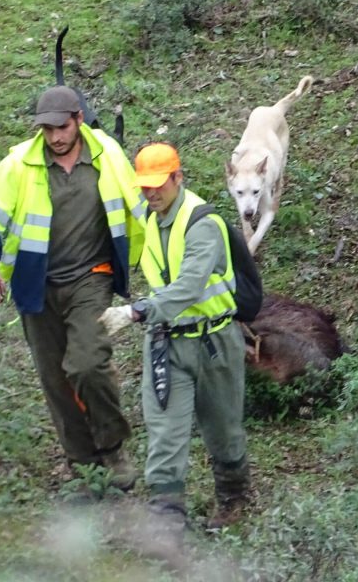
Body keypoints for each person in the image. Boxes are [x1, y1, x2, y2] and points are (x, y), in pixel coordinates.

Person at [0, 86, 146, 490]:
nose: (54, 137)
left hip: (92, 277)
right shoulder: (18, 164)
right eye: (46, 130)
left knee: (86, 364)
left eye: (61, 128)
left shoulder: (107, 155)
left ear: (79, 119)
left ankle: (113, 448)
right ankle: (83, 464)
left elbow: (142, 205)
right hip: (37, 286)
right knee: (56, 379)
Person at [100, 143, 251, 539]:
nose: (151, 193)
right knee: (165, 432)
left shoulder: (202, 223)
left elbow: (188, 287)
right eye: (145, 187)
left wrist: (136, 311)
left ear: (177, 178)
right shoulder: (152, 220)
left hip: (214, 342)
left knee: (224, 431)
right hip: (167, 344)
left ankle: (233, 499)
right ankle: (167, 516)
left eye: (158, 185)